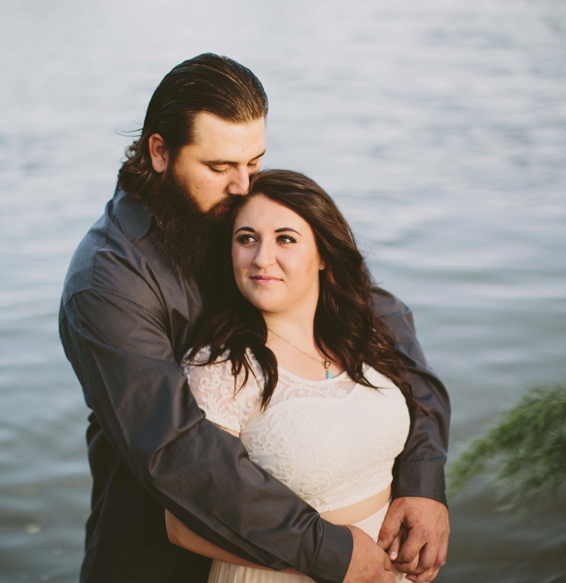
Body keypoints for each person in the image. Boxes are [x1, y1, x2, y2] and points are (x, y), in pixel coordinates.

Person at [59, 53, 450, 583]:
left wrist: (423, 482)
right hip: (161, 560)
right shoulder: (107, 282)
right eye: (219, 167)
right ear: (159, 152)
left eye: (254, 163)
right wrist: (330, 551)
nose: (243, 187)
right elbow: (177, 451)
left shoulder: (241, 212)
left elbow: (384, 328)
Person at [165, 169, 430, 583]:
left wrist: (426, 499)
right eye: (246, 238)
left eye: (285, 239)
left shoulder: (363, 336)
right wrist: (336, 565)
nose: (261, 257)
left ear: (323, 254)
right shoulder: (221, 366)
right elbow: (182, 526)